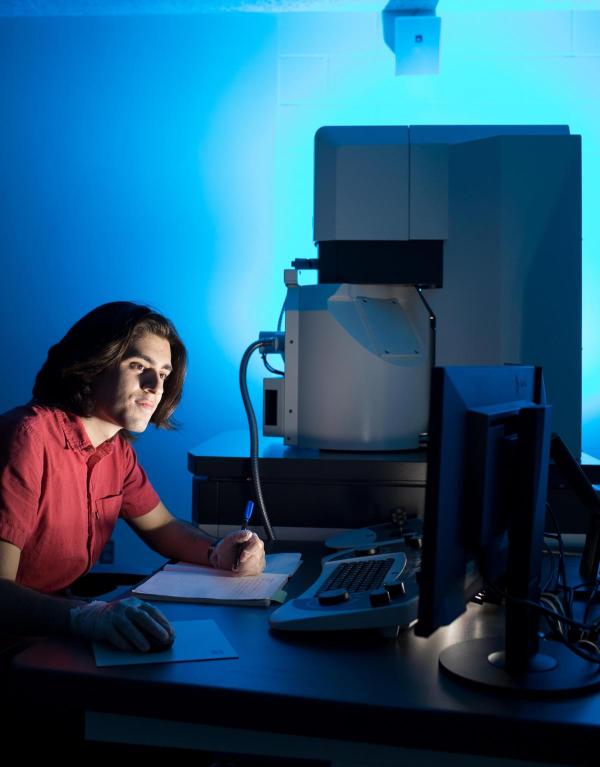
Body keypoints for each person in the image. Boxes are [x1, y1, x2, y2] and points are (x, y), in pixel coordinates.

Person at [0, 301, 265, 653]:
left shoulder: (117, 450)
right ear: (93, 365)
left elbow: (162, 528)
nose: (156, 385)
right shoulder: (27, 438)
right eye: (139, 365)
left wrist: (220, 552)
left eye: (164, 373)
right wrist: (87, 616)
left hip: (53, 628)